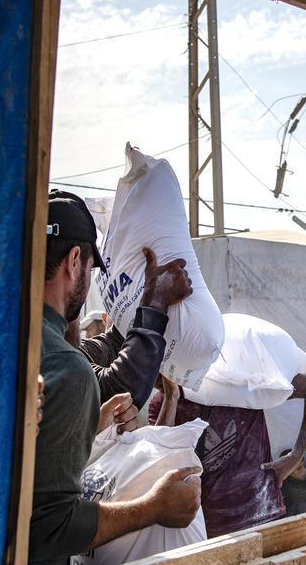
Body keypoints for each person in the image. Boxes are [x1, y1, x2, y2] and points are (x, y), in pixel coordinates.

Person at [30, 191, 200, 563]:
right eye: (91, 271)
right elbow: (48, 528)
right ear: (75, 262)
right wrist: (153, 508)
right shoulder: (61, 365)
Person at [152, 372, 306, 538]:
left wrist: (294, 458)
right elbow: (159, 462)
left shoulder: (237, 378)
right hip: (208, 530)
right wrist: (171, 397)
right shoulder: (162, 403)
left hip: (263, 515)